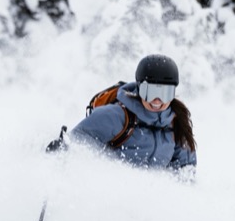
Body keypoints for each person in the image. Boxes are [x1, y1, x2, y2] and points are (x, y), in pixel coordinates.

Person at [57, 54, 197, 175]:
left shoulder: (176, 124)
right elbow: (77, 141)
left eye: (165, 93)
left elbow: (185, 171)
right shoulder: (116, 116)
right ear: (139, 88)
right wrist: (60, 152)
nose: (157, 100)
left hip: (151, 196)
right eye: (150, 92)